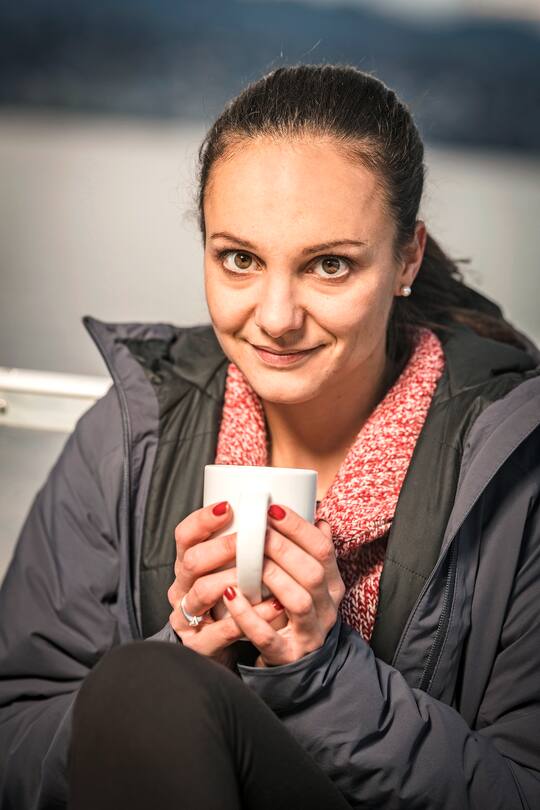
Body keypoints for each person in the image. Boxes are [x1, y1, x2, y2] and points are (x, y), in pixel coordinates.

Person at [0, 64, 539, 810]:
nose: (276, 316)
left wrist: (321, 672)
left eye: (329, 265)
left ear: (407, 258)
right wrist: (184, 658)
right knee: (148, 683)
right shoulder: (129, 439)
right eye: (240, 259)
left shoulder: (515, 472)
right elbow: (14, 739)